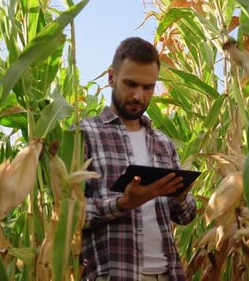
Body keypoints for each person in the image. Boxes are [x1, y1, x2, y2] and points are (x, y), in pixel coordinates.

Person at [79, 37, 197, 281]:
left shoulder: (163, 143)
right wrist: (122, 203)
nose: (138, 96)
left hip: (167, 273)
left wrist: (181, 195)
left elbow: (185, 216)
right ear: (112, 78)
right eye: (131, 84)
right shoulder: (85, 135)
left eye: (148, 87)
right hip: (115, 274)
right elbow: (68, 213)